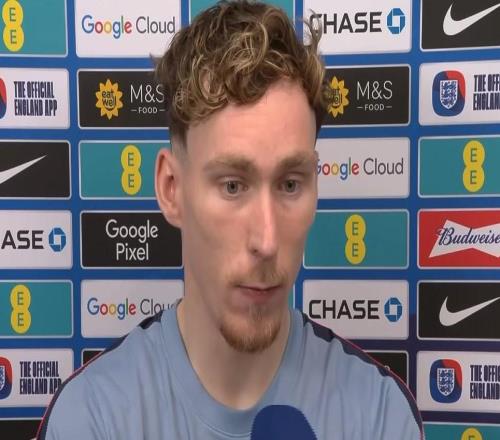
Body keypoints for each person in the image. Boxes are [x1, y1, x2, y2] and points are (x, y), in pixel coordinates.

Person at [37, 1, 423, 438]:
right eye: (233, 186)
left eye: (290, 184)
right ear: (171, 189)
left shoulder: (378, 415)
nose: (267, 240)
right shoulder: (92, 417)